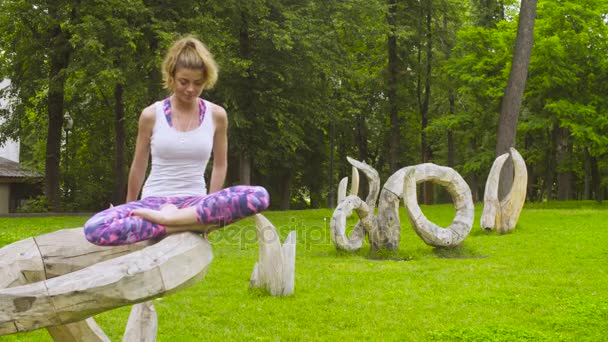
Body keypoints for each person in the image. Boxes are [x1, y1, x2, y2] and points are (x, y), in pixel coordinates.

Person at [84, 36, 269, 246]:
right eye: (184, 81)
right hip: (154, 202)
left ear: (206, 80)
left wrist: (210, 204)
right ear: (171, 77)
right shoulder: (150, 115)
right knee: (95, 228)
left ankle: (170, 222)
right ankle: (182, 223)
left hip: (195, 204)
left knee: (259, 196)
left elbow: (220, 164)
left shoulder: (217, 115)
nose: (190, 89)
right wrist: (131, 205)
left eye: (198, 83)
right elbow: (139, 163)